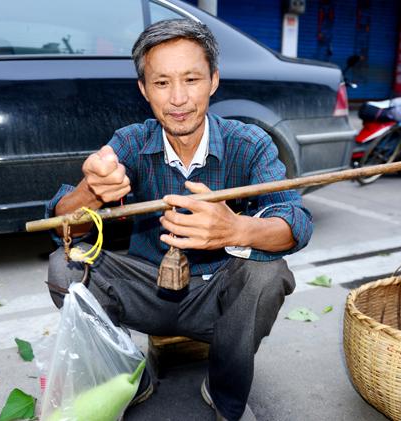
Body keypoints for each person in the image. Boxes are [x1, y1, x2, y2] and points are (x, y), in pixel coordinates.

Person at [46, 19, 313, 421]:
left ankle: (224, 392)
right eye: (162, 83)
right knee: (65, 267)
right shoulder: (131, 141)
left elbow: (295, 220)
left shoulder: (250, 144)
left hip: (219, 298)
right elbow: (60, 229)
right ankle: (134, 377)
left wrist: (237, 229)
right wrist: (91, 191)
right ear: (143, 89)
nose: (178, 99)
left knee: (268, 273)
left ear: (214, 81)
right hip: (146, 289)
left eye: (191, 79)